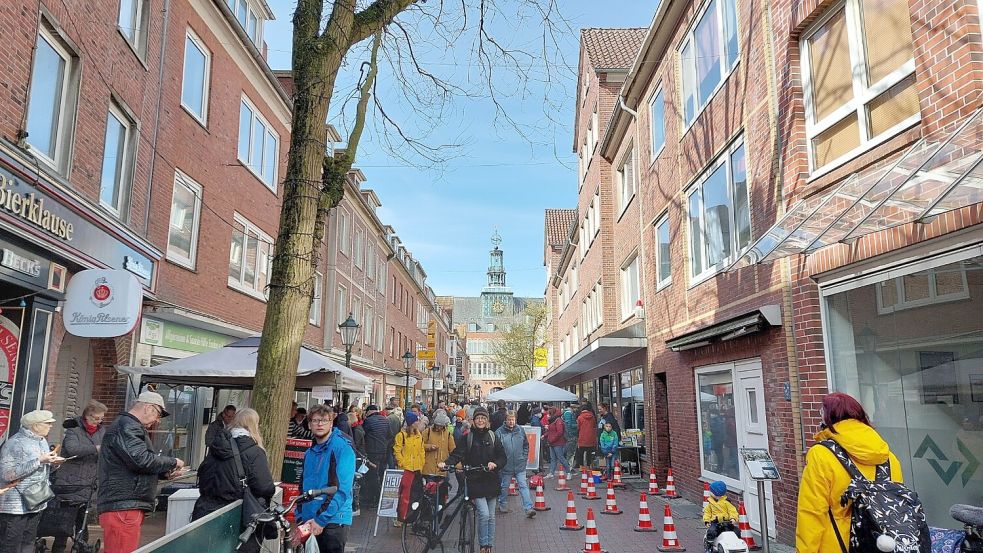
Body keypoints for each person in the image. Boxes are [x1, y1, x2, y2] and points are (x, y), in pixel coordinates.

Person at [796, 392, 903, 553]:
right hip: (883, 546)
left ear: (828, 419)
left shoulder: (821, 454)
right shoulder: (888, 456)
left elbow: (811, 514)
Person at [98, 391, 184, 553]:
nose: (157, 420)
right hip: (124, 504)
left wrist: (164, 473)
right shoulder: (127, 426)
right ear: (148, 408)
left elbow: (134, 462)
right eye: (158, 414)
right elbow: (141, 460)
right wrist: (173, 462)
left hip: (125, 503)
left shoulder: (127, 425)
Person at [192, 408, 275, 553]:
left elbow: (203, 476)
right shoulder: (254, 451)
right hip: (237, 517)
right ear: (254, 425)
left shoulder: (216, 447)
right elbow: (264, 487)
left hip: (205, 512)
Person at [438, 407, 506, 553]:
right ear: (473, 420)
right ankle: (483, 545)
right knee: (484, 514)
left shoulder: (493, 436)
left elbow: (502, 457)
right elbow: (457, 454)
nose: (480, 420)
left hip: (491, 480)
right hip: (474, 480)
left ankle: (489, 545)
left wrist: (496, 464)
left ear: (487, 420)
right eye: (478, 418)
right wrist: (447, 463)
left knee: (492, 517)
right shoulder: (467, 437)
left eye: (483, 418)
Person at [0, 410, 65, 553]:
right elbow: (6, 474)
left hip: (36, 501)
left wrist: (53, 464)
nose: (51, 426)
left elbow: (41, 471)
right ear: (35, 426)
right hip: (15, 506)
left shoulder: (42, 441)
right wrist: (39, 461)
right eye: (48, 423)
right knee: (11, 545)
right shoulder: (14, 443)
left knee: (28, 543)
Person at [295, 405, 356, 553]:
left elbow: (341, 489)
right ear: (309, 425)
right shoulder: (309, 453)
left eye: (324, 420)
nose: (320, 424)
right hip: (310, 520)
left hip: (333, 520)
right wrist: (300, 516)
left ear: (331, 423)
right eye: (315, 420)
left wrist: (321, 519)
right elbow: (303, 486)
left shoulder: (342, 448)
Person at [50, 401, 107, 553]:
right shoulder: (73, 429)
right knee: (65, 520)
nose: (99, 421)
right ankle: (58, 549)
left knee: (83, 520)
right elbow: (72, 448)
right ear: (87, 416)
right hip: (71, 481)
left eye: (101, 418)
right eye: (96, 418)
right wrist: (95, 448)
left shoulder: (102, 431)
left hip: (89, 480)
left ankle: (81, 547)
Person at [495, 411, 535, 518]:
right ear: (505, 420)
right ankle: (502, 504)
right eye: (509, 419)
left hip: (519, 464)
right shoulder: (499, 432)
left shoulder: (520, 430)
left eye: (513, 420)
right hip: (506, 465)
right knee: (504, 486)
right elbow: (496, 449)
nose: (511, 422)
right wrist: (500, 461)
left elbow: (526, 445)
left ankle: (528, 508)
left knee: (523, 486)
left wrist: (524, 457)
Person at [360, 405, 391, 507]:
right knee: (380, 474)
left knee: (372, 475)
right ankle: (379, 497)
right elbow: (389, 435)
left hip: (372, 451)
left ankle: (375, 498)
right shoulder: (385, 420)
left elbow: (363, 434)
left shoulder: (368, 421)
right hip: (383, 451)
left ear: (369, 412)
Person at [703, 480, 738, 551]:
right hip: (715, 522)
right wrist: (707, 521)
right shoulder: (710, 503)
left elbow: (733, 511)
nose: (709, 492)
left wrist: (733, 519)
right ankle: (709, 545)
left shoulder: (726, 503)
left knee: (737, 531)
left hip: (727, 522)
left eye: (711, 491)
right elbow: (707, 513)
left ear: (715, 493)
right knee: (711, 531)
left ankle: (735, 544)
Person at [543, 407, 568, 478]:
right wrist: (545, 436)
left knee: (561, 458)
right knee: (553, 459)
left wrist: (552, 439)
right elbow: (551, 431)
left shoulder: (558, 421)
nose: (548, 415)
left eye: (549, 413)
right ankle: (551, 473)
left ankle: (568, 472)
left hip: (558, 443)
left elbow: (559, 432)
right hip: (552, 442)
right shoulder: (553, 420)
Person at [576, 406, 598, 473]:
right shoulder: (592, 417)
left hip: (582, 437)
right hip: (591, 437)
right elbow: (594, 425)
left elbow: (578, 427)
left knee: (581, 453)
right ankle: (588, 466)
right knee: (589, 452)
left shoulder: (579, 417)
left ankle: (581, 466)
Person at [562, 405, 578, 471]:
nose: (577, 409)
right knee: (570, 452)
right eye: (576, 407)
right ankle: (568, 468)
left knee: (569, 451)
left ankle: (567, 467)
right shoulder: (568, 413)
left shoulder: (567, 413)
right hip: (571, 435)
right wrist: (577, 425)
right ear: (573, 407)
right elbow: (569, 425)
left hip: (569, 435)